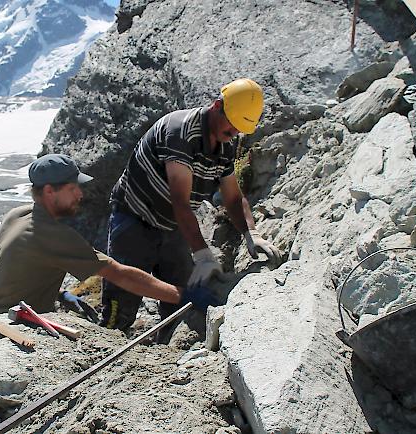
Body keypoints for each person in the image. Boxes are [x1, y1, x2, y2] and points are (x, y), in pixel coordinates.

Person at [102, 78, 282, 330]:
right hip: (135, 220)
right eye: (231, 128)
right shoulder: (180, 132)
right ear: (217, 105)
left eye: (239, 131)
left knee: (181, 298)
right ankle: (108, 339)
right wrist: (202, 253)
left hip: (171, 226)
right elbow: (180, 201)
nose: (233, 135)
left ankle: (165, 351)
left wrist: (250, 232)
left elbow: (232, 197)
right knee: (122, 299)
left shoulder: (224, 147)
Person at [0, 153, 219, 322]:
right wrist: (183, 295)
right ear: (50, 191)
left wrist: (59, 294)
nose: (80, 194)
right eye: (72, 188)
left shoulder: (16, 215)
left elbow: (17, 270)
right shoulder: (52, 234)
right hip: (14, 324)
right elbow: (118, 274)